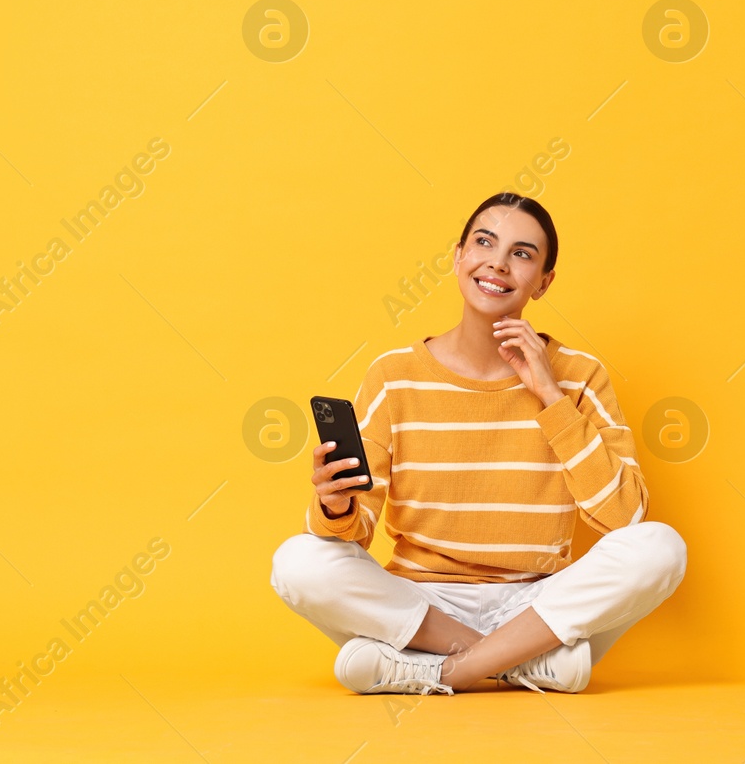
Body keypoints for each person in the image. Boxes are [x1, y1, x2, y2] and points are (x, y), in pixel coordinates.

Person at [270, 192, 686, 695]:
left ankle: (442, 671)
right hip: (421, 604)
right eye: (484, 242)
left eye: (522, 253)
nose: (497, 262)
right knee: (298, 560)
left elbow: (626, 517)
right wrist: (335, 506)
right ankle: (520, 666)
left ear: (543, 283)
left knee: (660, 547)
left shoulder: (579, 377)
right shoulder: (393, 376)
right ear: (458, 257)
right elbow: (357, 534)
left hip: (534, 606)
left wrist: (551, 397)